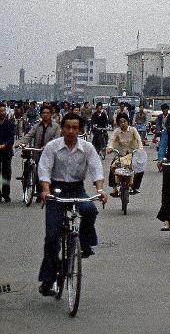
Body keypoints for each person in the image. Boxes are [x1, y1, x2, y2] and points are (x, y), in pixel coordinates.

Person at [37, 112, 108, 296]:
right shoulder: (52, 147)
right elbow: (44, 169)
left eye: (75, 128)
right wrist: (46, 190)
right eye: (67, 127)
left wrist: (100, 190)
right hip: (56, 190)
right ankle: (48, 280)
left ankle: (84, 243)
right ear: (62, 128)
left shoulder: (87, 148)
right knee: (52, 237)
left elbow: (96, 169)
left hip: (77, 189)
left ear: (80, 130)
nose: (71, 131)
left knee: (90, 210)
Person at [106, 112, 144, 197]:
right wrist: (109, 148)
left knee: (140, 169)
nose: (123, 123)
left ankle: (135, 187)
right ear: (118, 123)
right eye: (120, 122)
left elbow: (139, 140)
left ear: (128, 121)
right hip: (121, 155)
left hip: (133, 154)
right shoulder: (116, 131)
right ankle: (115, 189)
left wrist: (140, 149)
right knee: (112, 167)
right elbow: (111, 140)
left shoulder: (133, 130)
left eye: (124, 121)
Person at [0, 103, 15, 203]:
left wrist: (5, 145)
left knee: (6, 173)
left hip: (6, 151)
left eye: (4, 111)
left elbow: (11, 138)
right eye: (1, 111)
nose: (2, 113)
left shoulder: (9, 123)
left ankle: (6, 194)